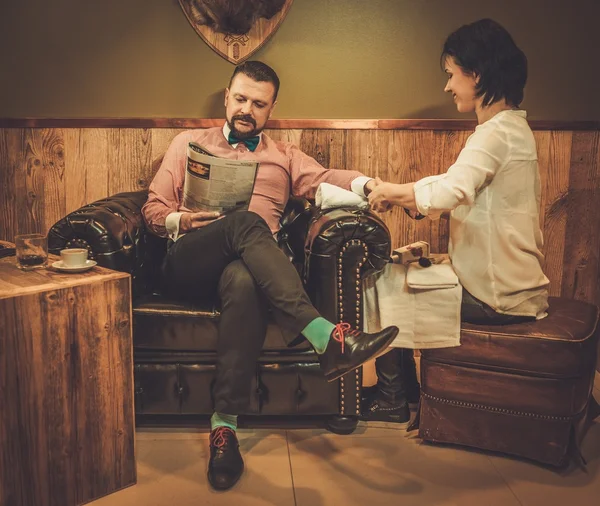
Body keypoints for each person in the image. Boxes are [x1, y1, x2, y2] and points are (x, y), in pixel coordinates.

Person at [142, 60, 399, 491]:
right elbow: (152, 209)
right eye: (240, 99)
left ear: (271, 108)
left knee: (244, 278)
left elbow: (326, 179)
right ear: (226, 97)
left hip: (249, 271)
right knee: (244, 223)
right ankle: (325, 337)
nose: (247, 109)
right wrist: (184, 221)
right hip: (190, 262)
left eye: (258, 104)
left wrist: (370, 185)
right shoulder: (188, 144)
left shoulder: (284, 156)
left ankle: (224, 429)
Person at [362, 18, 550, 422]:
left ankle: (395, 397)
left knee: (383, 284)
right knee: (396, 274)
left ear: (476, 74)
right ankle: (405, 392)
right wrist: (403, 196)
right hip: (512, 286)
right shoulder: (511, 128)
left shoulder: (494, 133)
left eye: (451, 74)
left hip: (498, 295)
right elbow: (455, 182)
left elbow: (453, 191)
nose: (447, 86)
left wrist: (394, 192)